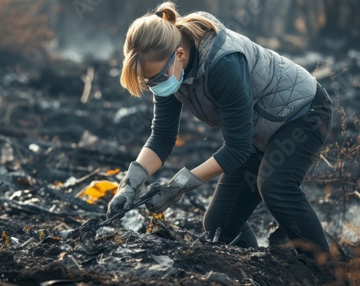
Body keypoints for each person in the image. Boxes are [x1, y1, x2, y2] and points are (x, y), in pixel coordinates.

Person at [106, 2, 333, 260]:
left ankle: (327, 270)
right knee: (219, 225)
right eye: (150, 82)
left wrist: (179, 186)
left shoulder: (224, 64)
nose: (155, 86)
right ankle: (261, 270)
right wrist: (130, 183)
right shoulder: (169, 73)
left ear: (179, 54)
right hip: (256, 130)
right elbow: (161, 138)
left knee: (274, 186)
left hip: (304, 112)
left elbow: (237, 149)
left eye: (156, 78)